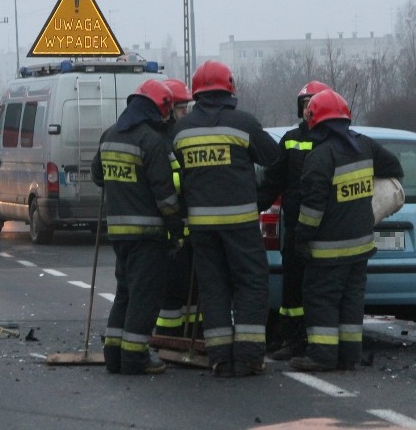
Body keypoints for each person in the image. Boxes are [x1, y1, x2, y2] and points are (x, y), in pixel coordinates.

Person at [172, 60, 279, 377]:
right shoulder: (243, 123)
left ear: (197, 93)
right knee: (250, 285)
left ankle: (218, 357)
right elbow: (273, 158)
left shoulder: (181, 131)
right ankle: (248, 357)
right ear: (229, 89)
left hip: (201, 228)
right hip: (241, 225)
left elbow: (173, 175)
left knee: (213, 289)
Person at [290, 90, 403, 372]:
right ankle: (350, 355)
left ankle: (322, 356)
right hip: (361, 246)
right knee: (352, 301)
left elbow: (312, 209)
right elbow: (395, 167)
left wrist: (301, 239)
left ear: (317, 121)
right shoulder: (365, 147)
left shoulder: (319, 157)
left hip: (328, 249)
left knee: (321, 300)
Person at [91, 79, 183, 375]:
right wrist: (176, 230)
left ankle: (113, 355)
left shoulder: (109, 135)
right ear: (157, 110)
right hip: (148, 234)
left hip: (118, 233)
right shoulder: (151, 141)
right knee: (144, 296)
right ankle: (134, 357)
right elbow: (166, 196)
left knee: (125, 293)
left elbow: (97, 175)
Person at [257, 80, 332, 361]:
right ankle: (292, 339)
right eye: (304, 106)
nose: (308, 111)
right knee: (293, 287)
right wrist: (253, 205)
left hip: (329, 228)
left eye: (313, 106)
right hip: (295, 226)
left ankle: (324, 343)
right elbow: (272, 181)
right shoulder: (289, 139)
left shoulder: (337, 141)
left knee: (323, 286)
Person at [154, 78, 200, 339]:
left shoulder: (179, 135)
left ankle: (191, 332)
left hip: (185, 222)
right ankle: (169, 335)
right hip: (172, 225)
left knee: (191, 287)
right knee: (174, 286)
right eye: (182, 108)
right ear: (169, 109)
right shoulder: (167, 140)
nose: (186, 113)